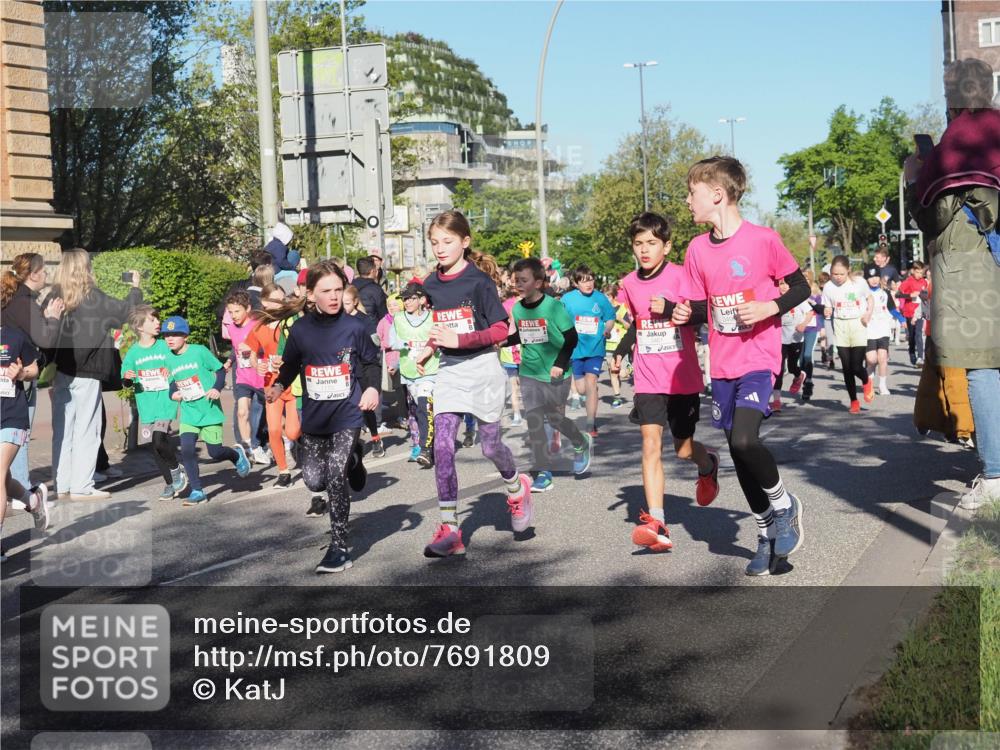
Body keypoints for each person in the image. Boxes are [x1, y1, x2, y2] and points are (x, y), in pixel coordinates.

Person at [678, 156, 808, 576]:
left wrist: (770, 305)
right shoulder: (696, 249)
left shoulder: (763, 240)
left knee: (748, 440)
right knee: (736, 448)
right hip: (723, 363)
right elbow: (702, 305)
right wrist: (684, 313)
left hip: (759, 356)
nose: (687, 201)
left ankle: (786, 506)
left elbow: (801, 286)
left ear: (717, 194)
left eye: (692, 193)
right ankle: (766, 533)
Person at [905, 57, 1000, 510]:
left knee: (983, 367)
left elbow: (935, 215)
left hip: (970, 268)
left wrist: (914, 178)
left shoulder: (954, 142)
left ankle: (997, 476)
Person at [415, 210, 532, 557]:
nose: (439, 248)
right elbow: (443, 328)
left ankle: (515, 487)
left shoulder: (479, 283)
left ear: (465, 242)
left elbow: (501, 330)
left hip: (483, 369)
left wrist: (458, 340)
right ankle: (451, 529)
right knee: (443, 446)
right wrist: (429, 347)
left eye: (447, 241)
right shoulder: (430, 283)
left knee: (490, 447)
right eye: (434, 242)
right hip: (450, 371)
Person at [612, 211, 719, 552]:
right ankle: (657, 521)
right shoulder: (629, 283)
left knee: (684, 450)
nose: (644, 250)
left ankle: (707, 464)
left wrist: (673, 306)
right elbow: (637, 322)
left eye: (652, 243)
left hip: (681, 377)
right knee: (650, 445)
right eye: (638, 244)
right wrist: (620, 349)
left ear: (667, 246)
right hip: (647, 377)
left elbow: (706, 313)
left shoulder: (682, 276)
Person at [266, 261, 381, 573]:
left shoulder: (356, 327)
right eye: (326, 291)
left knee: (333, 473)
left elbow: (371, 363)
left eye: (338, 290)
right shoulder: (301, 330)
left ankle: (339, 546)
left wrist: (372, 390)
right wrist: (278, 386)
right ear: (310, 294)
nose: (333, 296)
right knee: (314, 480)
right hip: (316, 419)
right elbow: (290, 364)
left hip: (347, 414)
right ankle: (355, 460)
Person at [50, 249, 143, 500]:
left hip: (61, 370)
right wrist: (135, 288)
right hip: (89, 370)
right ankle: (82, 485)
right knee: (87, 428)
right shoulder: (94, 298)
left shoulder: (55, 296)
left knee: (63, 429)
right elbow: (125, 312)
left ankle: (63, 483)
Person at [507, 257, 592, 493]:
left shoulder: (554, 307)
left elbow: (571, 337)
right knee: (534, 421)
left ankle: (580, 441)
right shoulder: (517, 307)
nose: (519, 284)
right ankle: (543, 472)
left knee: (555, 419)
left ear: (538, 282)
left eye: (524, 280)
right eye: (517, 280)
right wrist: (504, 340)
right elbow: (524, 334)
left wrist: (560, 362)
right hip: (530, 371)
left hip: (557, 371)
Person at [163, 316, 251, 505]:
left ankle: (236, 455)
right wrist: (173, 394)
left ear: (185, 336)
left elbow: (219, 370)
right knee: (186, 450)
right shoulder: (168, 358)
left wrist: (216, 388)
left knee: (215, 452)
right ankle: (197, 491)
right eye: (166, 335)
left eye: (175, 335)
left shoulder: (199, 351)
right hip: (189, 412)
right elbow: (172, 381)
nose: (170, 339)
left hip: (209, 410)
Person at [4, 253, 65, 489]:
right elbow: (46, 339)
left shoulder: (10, 298)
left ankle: (11, 487)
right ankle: (22, 489)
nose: (47, 275)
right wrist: (53, 317)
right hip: (21, 374)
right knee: (18, 433)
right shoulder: (23, 302)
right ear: (33, 274)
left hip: (7, 371)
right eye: (44, 270)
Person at [1, 276, 50, 561]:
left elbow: (34, 370)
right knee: (3, 477)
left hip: (11, 415)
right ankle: (33, 500)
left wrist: (20, 374)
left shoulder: (13, 336)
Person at [120, 306, 186, 499]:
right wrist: (128, 378)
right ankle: (169, 483)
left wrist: (170, 371)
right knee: (155, 446)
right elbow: (125, 378)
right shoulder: (133, 353)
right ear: (140, 327)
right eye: (153, 320)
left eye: (158, 319)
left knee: (159, 437)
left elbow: (177, 365)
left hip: (165, 401)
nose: (159, 323)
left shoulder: (165, 346)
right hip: (146, 405)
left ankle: (175, 469)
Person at [242, 284, 303, 489]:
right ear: (265, 302)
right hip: (270, 384)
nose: (280, 303)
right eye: (275, 300)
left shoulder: (292, 322)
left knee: (293, 432)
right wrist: (256, 364)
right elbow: (250, 352)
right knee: (274, 429)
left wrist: (287, 360)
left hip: (292, 382)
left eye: (282, 299)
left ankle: (299, 445)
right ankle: (283, 472)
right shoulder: (258, 326)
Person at [560, 265, 617, 437]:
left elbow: (609, 318)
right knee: (582, 388)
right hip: (576, 349)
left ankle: (591, 423)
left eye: (590, 279)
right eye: (584, 281)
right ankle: (590, 394)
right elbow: (559, 319)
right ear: (576, 284)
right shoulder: (567, 299)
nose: (588, 284)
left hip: (596, 347)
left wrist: (607, 329)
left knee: (591, 383)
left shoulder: (600, 298)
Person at [391, 283, 439, 466]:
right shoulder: (398, 318)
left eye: (411, 298)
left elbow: (441, 339)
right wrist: (404, 344)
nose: (407, 302)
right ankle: (431, 442)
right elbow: (391, 341)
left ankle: (425, 450)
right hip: (409, 371)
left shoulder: (433, 317)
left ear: (421, 299)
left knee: (424, 405)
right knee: (420, 409)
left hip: (430, 370)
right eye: (404, 299)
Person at [822, 257, 875, 413]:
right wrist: (827, 311)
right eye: (834, 274)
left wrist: (868, 313)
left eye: (841, 274)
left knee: (856, 366)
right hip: (840, 325)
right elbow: (827, 307)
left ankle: (866, 381)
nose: (837, 277)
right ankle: (854, 401)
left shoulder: (859, 282)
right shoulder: (828, 287)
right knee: (846, 368)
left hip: (858, 324)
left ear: (848, 271)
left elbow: (870, 298)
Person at [223, 291, 269, 465]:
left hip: (260, 376)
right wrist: (229, 361)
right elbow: (236, 349)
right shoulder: (232, 328)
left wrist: (253, 350)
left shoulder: (257, 326)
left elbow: (268, 348)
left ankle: (279, 444)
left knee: (265, 415)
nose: (233, 316)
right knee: (242, 412)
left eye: (237, 311)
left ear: (248, 309)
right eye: (231, 312)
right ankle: (250, 447)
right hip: (242, 377)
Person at [343, 285, 386, 458]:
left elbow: (374, 342)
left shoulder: (364, 320)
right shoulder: (338, 319)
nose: (343, 307)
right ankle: (351, 441)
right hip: (344, 369)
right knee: (347, 407)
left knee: (365, 406)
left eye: (346, 303)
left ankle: (375, 438)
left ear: (354, 302)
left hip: (362, 368)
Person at [773, 278, 813, 412]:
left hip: (796, 338)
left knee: (791, 366)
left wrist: (803, 324)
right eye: (781, 284)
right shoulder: (774, 299)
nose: (784, 287)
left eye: (787, 284)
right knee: (778, 369)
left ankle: (799, 375)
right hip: (779, 339)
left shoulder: (797, 298)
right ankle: (777, 400)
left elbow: (810, 312)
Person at [863, 264, 896, 395]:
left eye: (876, 276)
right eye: (871, 277)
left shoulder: (885, 293)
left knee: (882, 358)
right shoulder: (863, 294)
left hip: (883, 329)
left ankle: (882, 385)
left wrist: (902, 319)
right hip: (869, 330)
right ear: (866, 279)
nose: (874, 279)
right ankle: (869, 382)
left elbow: (892, 309)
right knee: (871, 359)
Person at [897, 261, 929, 367]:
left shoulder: (924, 282)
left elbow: (925, 296)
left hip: (919, 312)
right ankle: (912, 353)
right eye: (918, 272)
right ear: (913, 271)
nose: (920, 275)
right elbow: (898, 294)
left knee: (919, 334)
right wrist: (910, 295)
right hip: (909, 312)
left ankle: (920, 357)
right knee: (912, 336)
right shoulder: (908, 281)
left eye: (921, 272)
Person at [799, 270, 823, 402]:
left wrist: (822, 327)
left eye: (807, 278)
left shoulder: (816, 294)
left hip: (812, 328)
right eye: (803, 278)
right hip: (798, 328)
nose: (805, 280)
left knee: (808, 355)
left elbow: (820, 310)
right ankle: (804, 381)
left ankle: (808, 382)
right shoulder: (795, 292)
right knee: (800, 359)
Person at [354, 256, 389, 322]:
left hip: (354, 328)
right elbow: (383, 315)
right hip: (372, 328)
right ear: (373, 271)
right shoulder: (376, 290)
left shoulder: (350, 287)